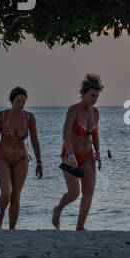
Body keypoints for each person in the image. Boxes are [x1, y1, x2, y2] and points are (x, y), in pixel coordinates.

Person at [0, 87, 43, 229]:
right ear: (12, 101)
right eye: (18, 101)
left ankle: (12, 229)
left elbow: (34, 141)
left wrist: (39, 162)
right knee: (7, 191)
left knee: (16, 195)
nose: (21, 104)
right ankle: (1, 213)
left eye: (23, 101)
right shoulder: (2, 116)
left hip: (21, 159)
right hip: (2, 157)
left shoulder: (29, 117)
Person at [52, 73, 103, 230]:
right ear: (83, 94)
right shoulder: (73, 110)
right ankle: (58, 209)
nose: (94, 99)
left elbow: (94, 134)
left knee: (88, 191)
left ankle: (80, 226)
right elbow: (66, 133)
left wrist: (98, 153)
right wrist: (71, 155)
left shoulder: (95, 112)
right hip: (71, 155)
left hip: (88, 155)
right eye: (92, 95)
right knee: (74, 193)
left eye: (97, 96)